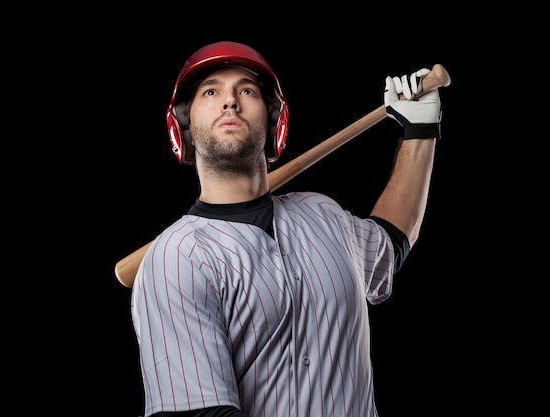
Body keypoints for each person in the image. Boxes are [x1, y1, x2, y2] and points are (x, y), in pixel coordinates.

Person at [131, 40, 443, 417]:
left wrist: (420, 131)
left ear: (273, 119)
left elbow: (391, 242)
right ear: (185, 129)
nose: (230, 101)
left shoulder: (323, 214)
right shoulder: (176, 257)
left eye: (246, 90)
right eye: (210, 91)